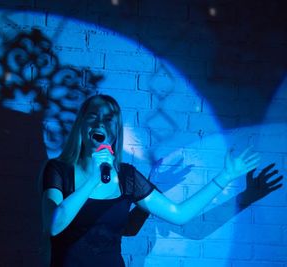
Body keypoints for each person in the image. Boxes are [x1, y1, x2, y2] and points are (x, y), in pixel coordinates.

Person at [41, 94, 260, 267]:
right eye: (93, 116)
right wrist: (93, 180)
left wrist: (226, 176)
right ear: (82, 124)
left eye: (109, 119)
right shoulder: (58, 170)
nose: (100, 123)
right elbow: (53, 225)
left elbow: (179, 215)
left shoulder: (127, 177)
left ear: (115, 133)